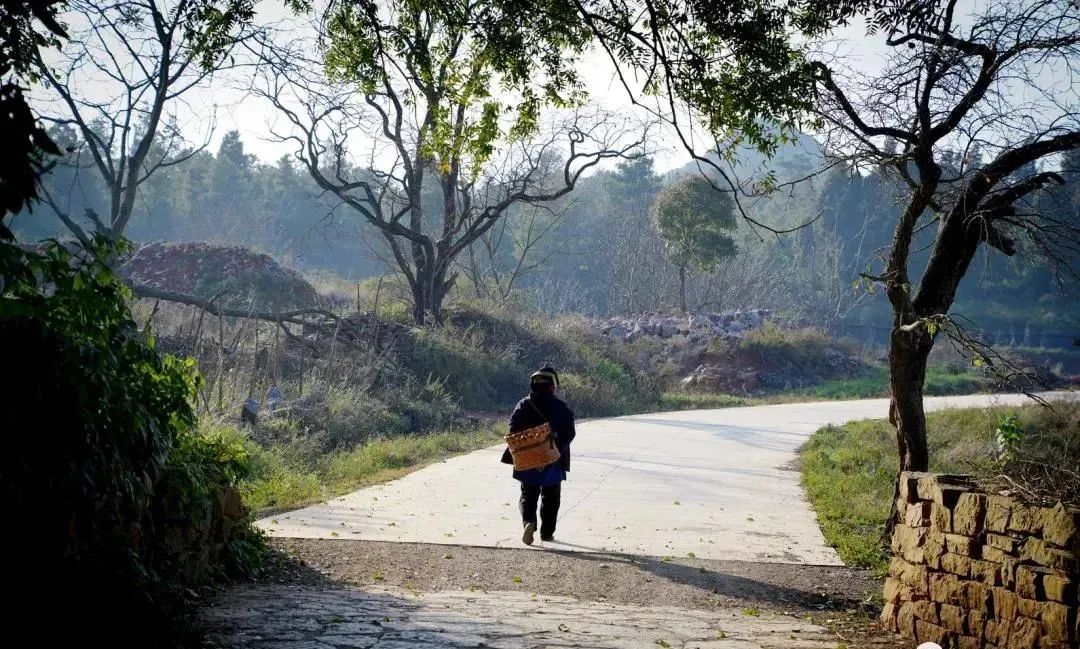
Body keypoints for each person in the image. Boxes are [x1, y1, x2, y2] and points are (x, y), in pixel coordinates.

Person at [502, 366, 576, 545]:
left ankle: (529, 522)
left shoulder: (524, 405)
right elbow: (570, 433)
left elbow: (513, 429)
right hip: (553, 460)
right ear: (552, 386)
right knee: (551, 497)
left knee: (528, 494)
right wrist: (553, 451)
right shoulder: (561, 407)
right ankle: (547, 533)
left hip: (527, 459)